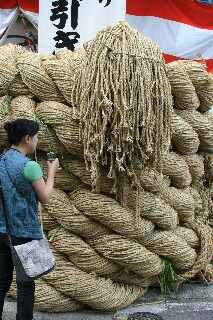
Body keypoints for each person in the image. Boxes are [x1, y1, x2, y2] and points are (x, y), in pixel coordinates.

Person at [0, 118, 61, 320]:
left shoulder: (1, 161)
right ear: (27, 138)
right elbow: (45, 198)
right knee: (25, 285)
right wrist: (51, 172)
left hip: (2, 231)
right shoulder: (30, 166)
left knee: (1, 283)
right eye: (36, 137)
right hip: (22, 233)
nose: (37, 140)